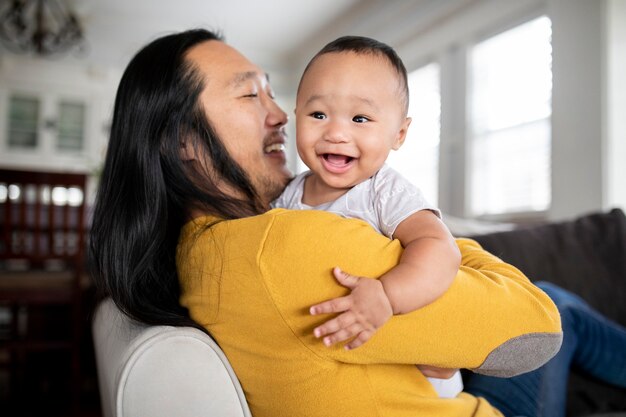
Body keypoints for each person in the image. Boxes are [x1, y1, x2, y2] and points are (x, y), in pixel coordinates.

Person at [88, 28, 626, 417]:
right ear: (179, 138)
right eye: (252, 94)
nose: (280, 115)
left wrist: (430, 246)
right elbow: (536, 324)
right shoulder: (287, 244)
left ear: (399, 132)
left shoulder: (200, 252)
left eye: (274, 94)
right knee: (560, 306)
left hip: (432, 370)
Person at [272, 35, 462, 397]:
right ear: (297, 117)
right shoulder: (289, 195)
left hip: (423, 374)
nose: (337, 132)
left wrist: (387, 296)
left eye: (360, 118)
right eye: (318, 114)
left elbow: (440, 247)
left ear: (399, 133)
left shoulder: (383, 191)